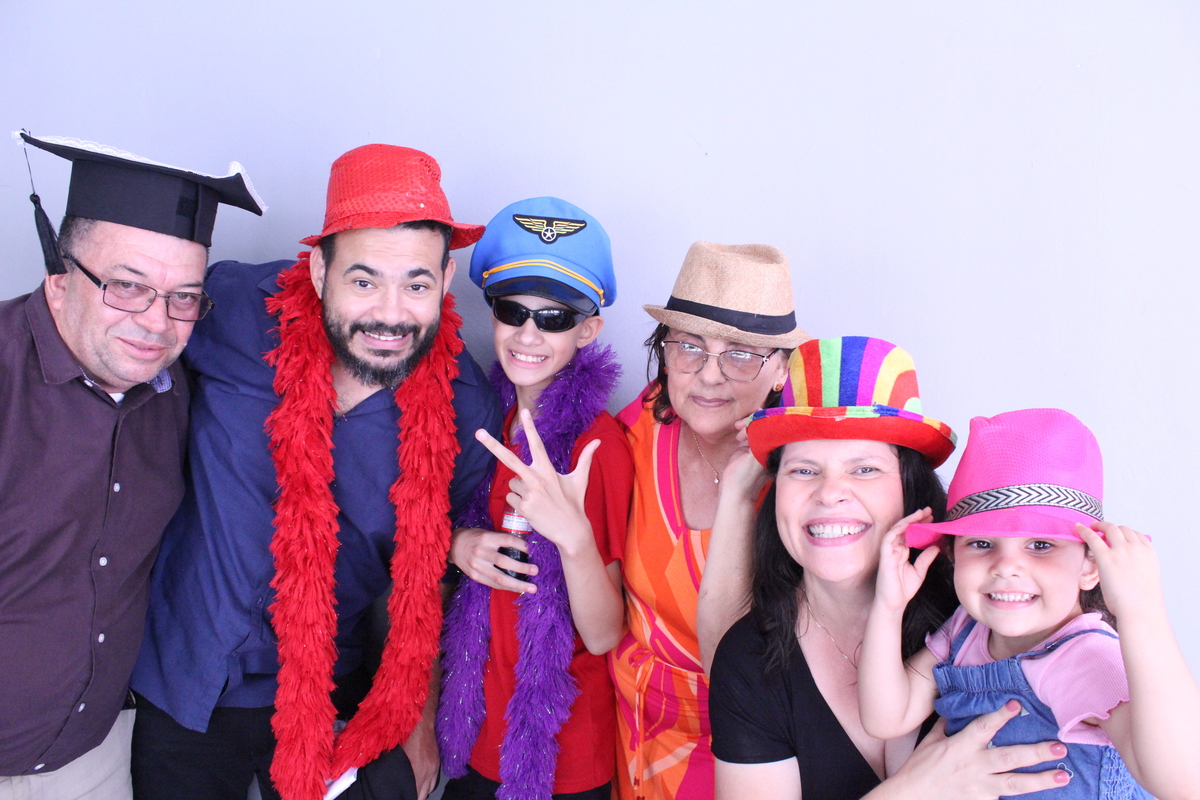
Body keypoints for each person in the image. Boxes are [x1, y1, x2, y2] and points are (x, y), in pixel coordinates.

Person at [128, 144, 503, 800]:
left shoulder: (465, 410)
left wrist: (418, 721)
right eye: (364, 281)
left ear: (446, 281)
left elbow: (428, 578)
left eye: (416, 284)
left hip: (327, 701)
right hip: (182, 680)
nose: (390, 313)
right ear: (319, 268)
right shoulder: (233, 308)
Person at [1, 132, 262, 799]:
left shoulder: (178, 394)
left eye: (184, 297)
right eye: (127, 286)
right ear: (60, 280)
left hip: (92, 760)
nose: (157, 322)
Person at [708, 337, 1077, 799]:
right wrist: (915, 789)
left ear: (911, 490)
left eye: (864, 469)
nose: (830, 493)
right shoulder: (749, 658)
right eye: (803, 470)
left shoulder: (989, 610)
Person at [859, 408, 1200, 799]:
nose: (1006, 566)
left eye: (1040, 545)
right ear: (953, 556)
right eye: (981, 543)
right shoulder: (966, 631)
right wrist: (888, 607)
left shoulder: (1085, 658)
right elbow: (887, 718)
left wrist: (1143, 614)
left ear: (1091, 566)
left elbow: (1185, 783)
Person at [436, 197, 634, 800]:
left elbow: (604, 634)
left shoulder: (598, 447)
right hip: (476, 735)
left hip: (560, 756)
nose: (527, 334)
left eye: (553, 318)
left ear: (587, 330)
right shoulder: (481, 416)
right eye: (512, 311)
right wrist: (457, 544)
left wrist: (571, 536)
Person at [609, 241, 804, 800]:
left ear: (780, 369)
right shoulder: (636, 430)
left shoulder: (806, 478)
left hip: (745, 749)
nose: (709, 376)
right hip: (628, 731)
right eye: (689, 347)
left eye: (740, 354)